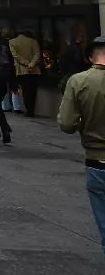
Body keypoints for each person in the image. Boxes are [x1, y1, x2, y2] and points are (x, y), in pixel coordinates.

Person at [57, 35, 105, 259]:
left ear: (89, 57)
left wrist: (82, 124)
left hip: (97, 160)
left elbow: (66, 124)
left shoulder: (79, 81)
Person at [10, 29, 41, 117]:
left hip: (22, 70)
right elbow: (37, 54)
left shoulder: (12, 42)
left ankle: (28, 110)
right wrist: (31, 64)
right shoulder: (33, 41)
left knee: (25, 90)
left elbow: (15, 56)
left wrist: (26, 64)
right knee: (33, 91)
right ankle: (32, 110)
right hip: (34, 70)